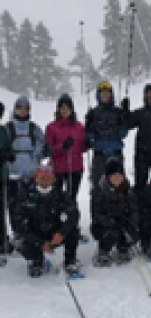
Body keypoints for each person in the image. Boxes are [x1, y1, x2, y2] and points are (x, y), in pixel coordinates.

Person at [13, 163, 80, 277]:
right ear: (36, 178)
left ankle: (70, 261)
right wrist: (39, 242)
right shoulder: (26, 195)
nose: (45, 181)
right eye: (42, 178)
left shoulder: (60, 194)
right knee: (23, 242)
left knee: (73, 232)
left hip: (54, 233)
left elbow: (73, 214)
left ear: (53, 179)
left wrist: (61, 233)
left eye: (48, 178)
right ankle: (36, 261)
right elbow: (18, 223)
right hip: (35, 234)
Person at [6, 96, 46, 235]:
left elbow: (42, 145)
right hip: (12, 174)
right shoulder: (8, 128)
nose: (22, 110)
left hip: (31, 174)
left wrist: (37, 155)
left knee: (31, 205)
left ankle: (31, 234)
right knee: (14, 207)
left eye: (25, 108)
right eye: (19, 107)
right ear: (15, 109)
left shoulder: (34, 128)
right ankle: (17, 234)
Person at [45, 94, 87, 224]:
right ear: (58, 109)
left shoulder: (79, 127)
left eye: (67, 108)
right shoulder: (51, 127)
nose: (64, 110)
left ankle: (72, 226)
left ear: (72, 109)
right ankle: (57, 225)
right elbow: (48, 149)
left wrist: (87, 144)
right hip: (58, 168)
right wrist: (62, 146)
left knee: (71, 198)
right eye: (62, 108)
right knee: (57, 198)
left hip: (75, 168)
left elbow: (81, 147)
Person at [90, 157, 139, 266]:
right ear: (108, 177)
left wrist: (131, 223)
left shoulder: (127, 190)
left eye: (119, 175)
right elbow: (96, 214)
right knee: (111, 233)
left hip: (123, 222)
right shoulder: (99, 191)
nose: (117, 178)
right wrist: (111, 221)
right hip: (104, 225)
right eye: (114, 175)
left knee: (131, 232)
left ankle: (123, 248)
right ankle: (104, 250)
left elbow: (134, 210)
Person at [85, 81, 128, 190]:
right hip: (99, 155)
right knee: (97, 187)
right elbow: (88, 135)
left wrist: (125, 117)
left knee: (119, 187)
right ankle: (96, 207)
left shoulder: (118, 112)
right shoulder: (93, 113)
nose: (105, 95)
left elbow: (123, 134)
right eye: (102, 93)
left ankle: (122, 207)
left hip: (116, 154)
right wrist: (88, 128)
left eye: (107, 93)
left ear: (111, 94)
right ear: (98, 95)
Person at [0, 102, 14, 259]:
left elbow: (10, 150)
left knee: (2, 210)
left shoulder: (3, 131)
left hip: (2, 176)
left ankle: (2, 240)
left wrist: (8, 154)